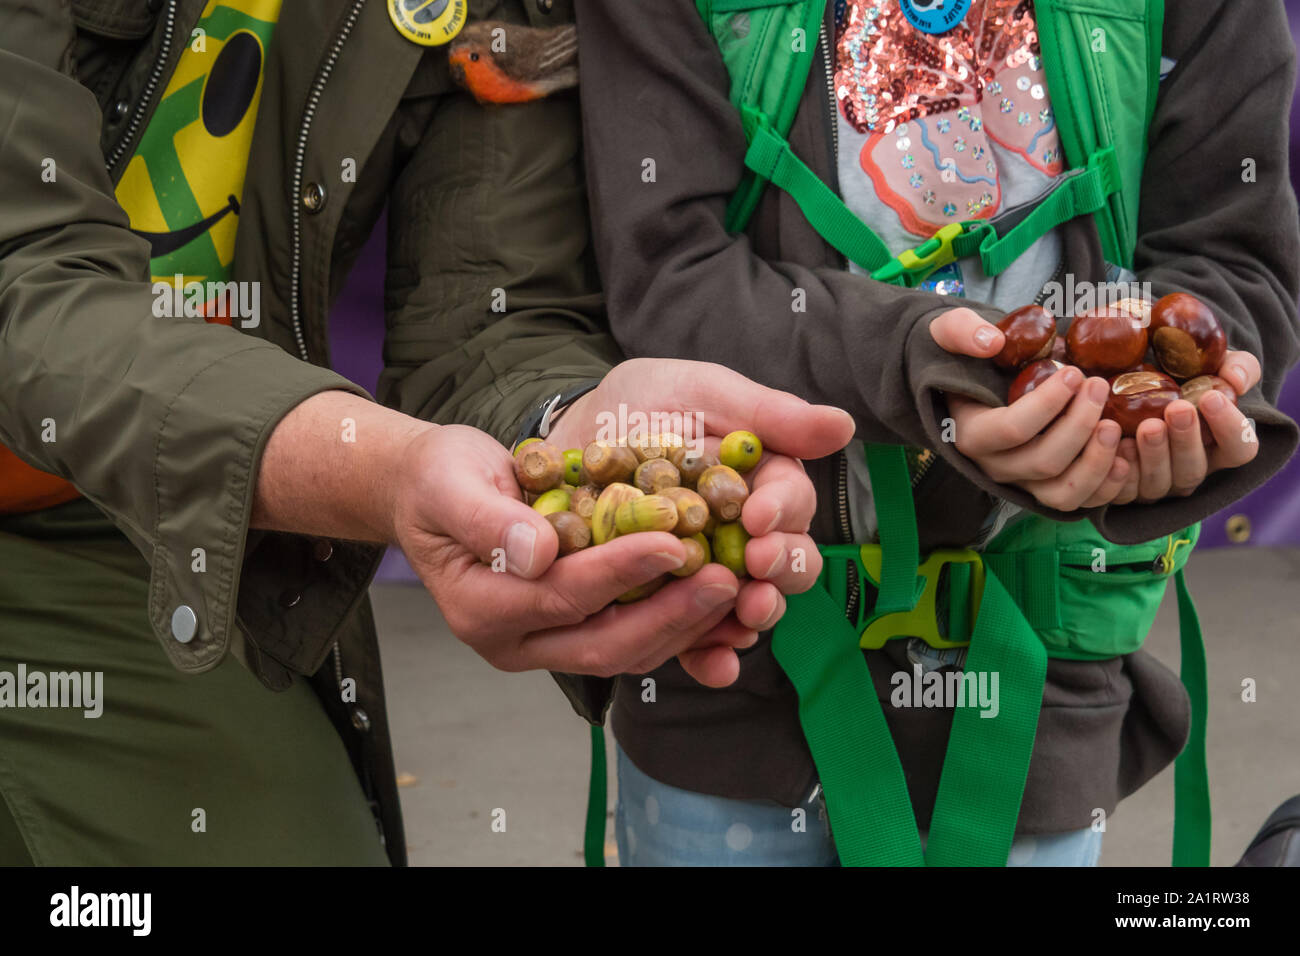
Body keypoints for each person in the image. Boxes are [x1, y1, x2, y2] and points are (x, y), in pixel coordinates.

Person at [0, 0, 852, 864]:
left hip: (152, 517)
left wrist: (555, 428)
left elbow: (491, 305)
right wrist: (365, 464)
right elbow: (21, 278)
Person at [569, 0, 1300, 864]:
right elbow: (667, 275)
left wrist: (1170, 421)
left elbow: (1235, 267)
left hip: (1042, 666)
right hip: (736, 647)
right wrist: (922, 365)